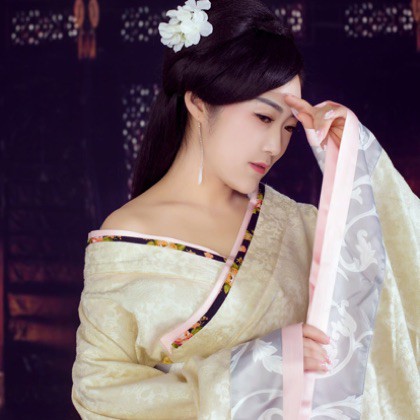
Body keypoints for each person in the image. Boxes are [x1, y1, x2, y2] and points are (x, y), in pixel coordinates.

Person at [71, 0, 419, 419]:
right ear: (199, 102)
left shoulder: (300, 226)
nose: (275, 146)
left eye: (288, 127)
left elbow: (401, 276)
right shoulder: (125, 237)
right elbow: (99, 393)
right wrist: (261, 366)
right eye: (262, 118)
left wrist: (354, 162)